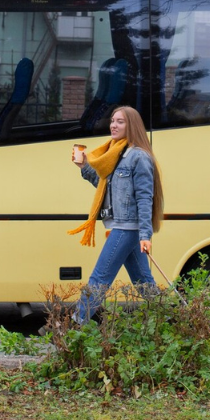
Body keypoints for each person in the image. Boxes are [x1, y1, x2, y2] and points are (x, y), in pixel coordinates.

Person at [68, 105, 165, 323]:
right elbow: (106, 188)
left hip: (127, 227)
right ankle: (168, 321)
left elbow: (144, 198)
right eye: (113, 120)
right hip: (121, 225)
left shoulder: (139, 157)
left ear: (132, 125)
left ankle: (75, 324)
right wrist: (84, 166)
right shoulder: (117, 154)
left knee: (99, 278)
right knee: (143, 281)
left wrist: (145, 236)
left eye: (120, 121)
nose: (113, 125)